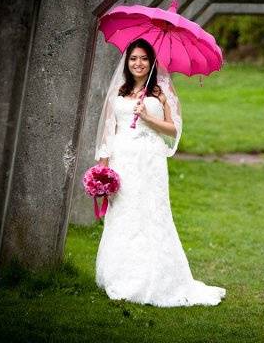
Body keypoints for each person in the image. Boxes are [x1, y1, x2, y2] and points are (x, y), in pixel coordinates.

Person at [93, 38, 225, 307]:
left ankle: (155, 279)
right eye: (133, 59)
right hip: (122, 162)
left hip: (149, 163)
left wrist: (148, 118)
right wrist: (102, 168)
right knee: (124, 215)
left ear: (152, 62)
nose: (138, 63)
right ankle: (122, 275)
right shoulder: (118, 92)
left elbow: (174, 129)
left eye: (143, 58)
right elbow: (108, 131)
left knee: (151, 214)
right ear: (127, 62)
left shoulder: (161, 93)